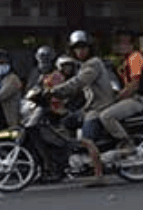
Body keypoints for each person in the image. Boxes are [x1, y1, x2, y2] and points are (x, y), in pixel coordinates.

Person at [47, 30, 114, 185]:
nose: (80, 51)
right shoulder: (82, 65)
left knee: (86, 138)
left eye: (83, 47)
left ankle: (99, 175)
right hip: (89, 106)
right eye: (77, 48)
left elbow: (78, 83)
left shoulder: (93, 64)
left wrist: (54, 91)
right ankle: (74, 159)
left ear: (90, 48)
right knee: (66, 122)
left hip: (99, 107)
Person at [95, 28, 143, 156]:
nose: (120, 46)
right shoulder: (125, 61)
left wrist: (117, 98)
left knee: (106, 116)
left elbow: (134, 85)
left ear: (132, 44)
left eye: (125, 42)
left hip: (139, 99)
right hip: (133, 98)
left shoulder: (135, 57)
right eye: (119, 43)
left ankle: (128, 144)